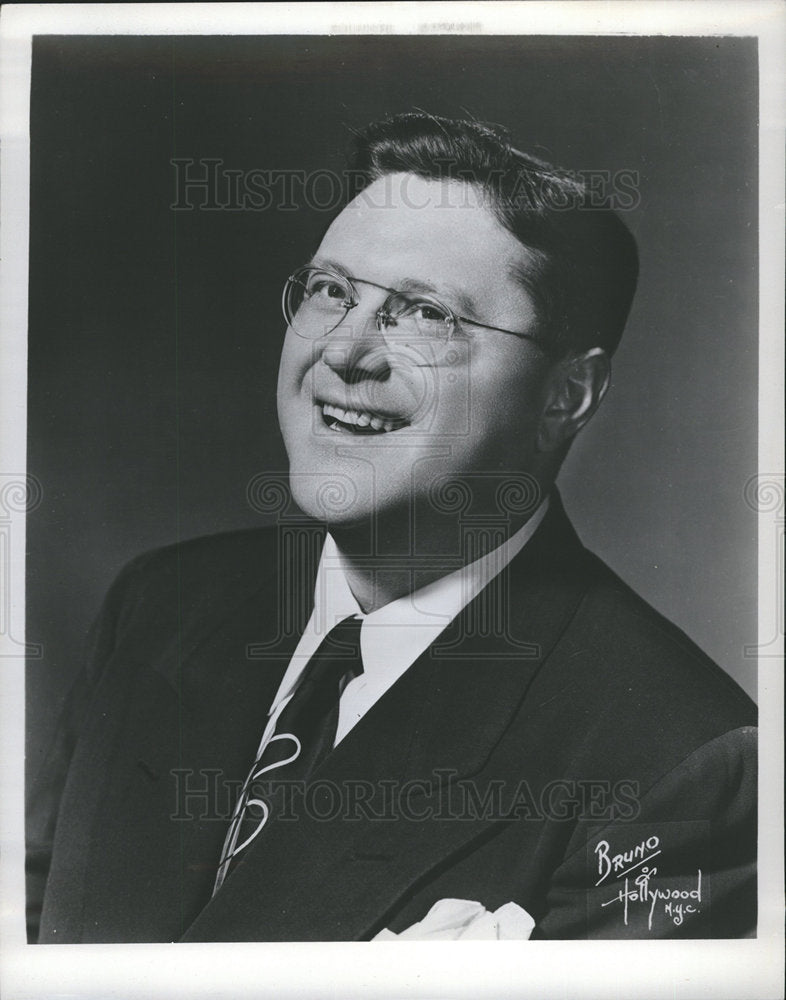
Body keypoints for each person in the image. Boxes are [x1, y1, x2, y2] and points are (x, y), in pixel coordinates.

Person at [29, 112, 756, 942]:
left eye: (425, 315)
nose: (345, 352)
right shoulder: (159, 605)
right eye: (333, 291)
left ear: (567, 397)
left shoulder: (678, 760)